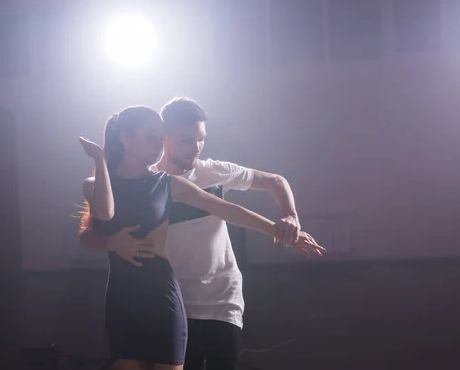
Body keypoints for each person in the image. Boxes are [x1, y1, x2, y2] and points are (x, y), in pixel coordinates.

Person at [78, 106, 321, 370]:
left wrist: (282, 228)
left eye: (200, 139)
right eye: (153, 136)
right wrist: (100, 163)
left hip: (185, 294)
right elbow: (97, 223)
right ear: (128, 137)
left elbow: (233, 209)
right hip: (137, 294)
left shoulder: (178, 180)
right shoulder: (101, 183)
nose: (194, 147)